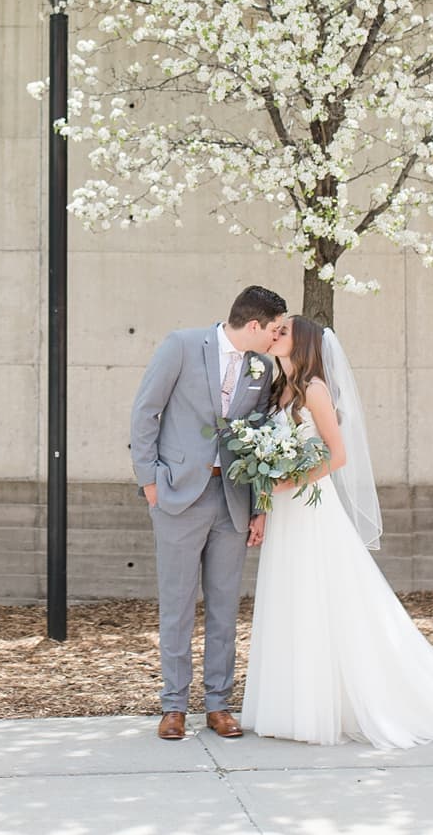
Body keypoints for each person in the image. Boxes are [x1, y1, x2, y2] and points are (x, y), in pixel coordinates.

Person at [241, 314, 433, 748]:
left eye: (284, 333)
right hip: (284, 510)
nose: (275, 336)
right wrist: (265, 498)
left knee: (321, 599)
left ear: (304, 345)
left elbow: (338, 457)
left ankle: (323, 709)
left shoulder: (314, 390)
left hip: (311, 511)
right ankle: (288, 706)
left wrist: (286, 481)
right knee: (290, 597)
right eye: (275, 331)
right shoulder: (278, 391)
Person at [128, 284, 288, 740]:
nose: (276, 339)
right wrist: (150, 482)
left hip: (232, 499)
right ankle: (173, 705)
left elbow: (257, 436)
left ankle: (219, 704)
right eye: (273, 331)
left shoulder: (261, 366)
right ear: (253, 325)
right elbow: (146, 412)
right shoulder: (181, 345)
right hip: (178, 494)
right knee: (176, 604)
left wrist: (259, 506)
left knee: (224, 606)